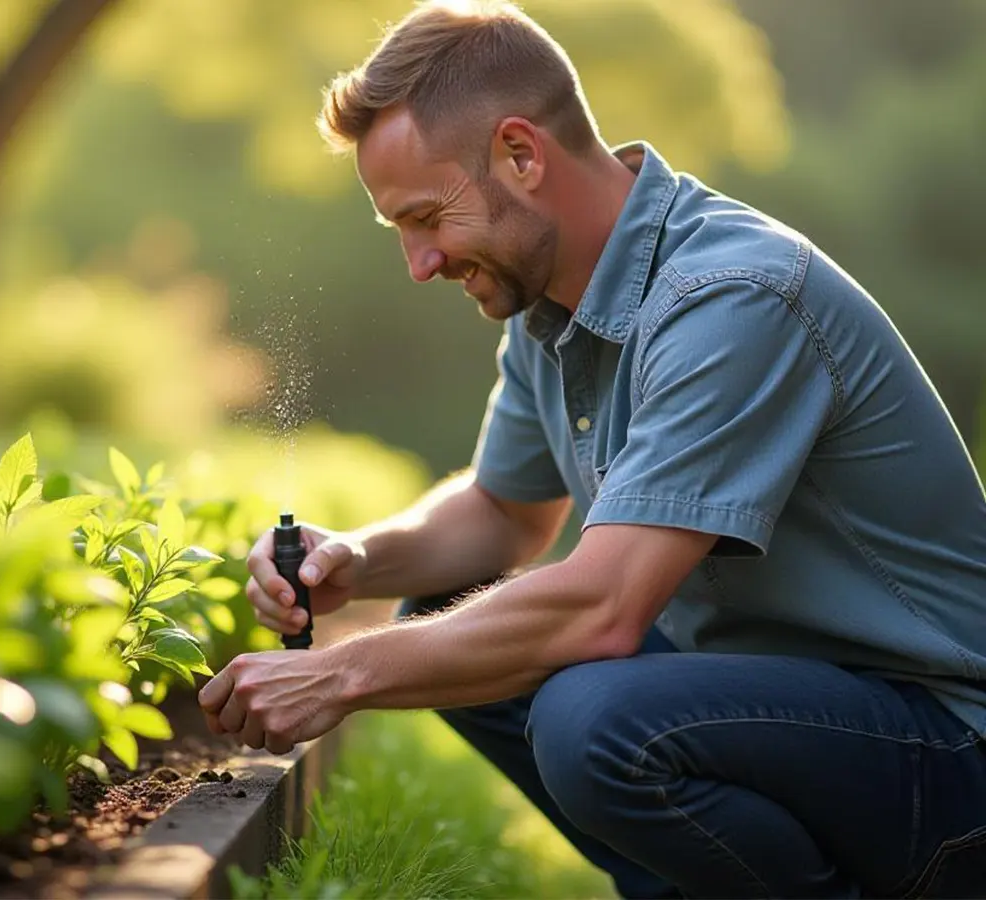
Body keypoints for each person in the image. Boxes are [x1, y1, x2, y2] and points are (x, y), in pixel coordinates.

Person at [198, 1, 986, 896]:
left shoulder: (732, 298)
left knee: (596, 719)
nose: (419, 263)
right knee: (444, 606)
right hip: (798, 711)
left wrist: (342, 673)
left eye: (427, 218)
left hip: (948, 747)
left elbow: (603, 608)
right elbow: (503, 512)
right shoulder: (550, 305)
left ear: (521, 155)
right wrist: (358, 560)